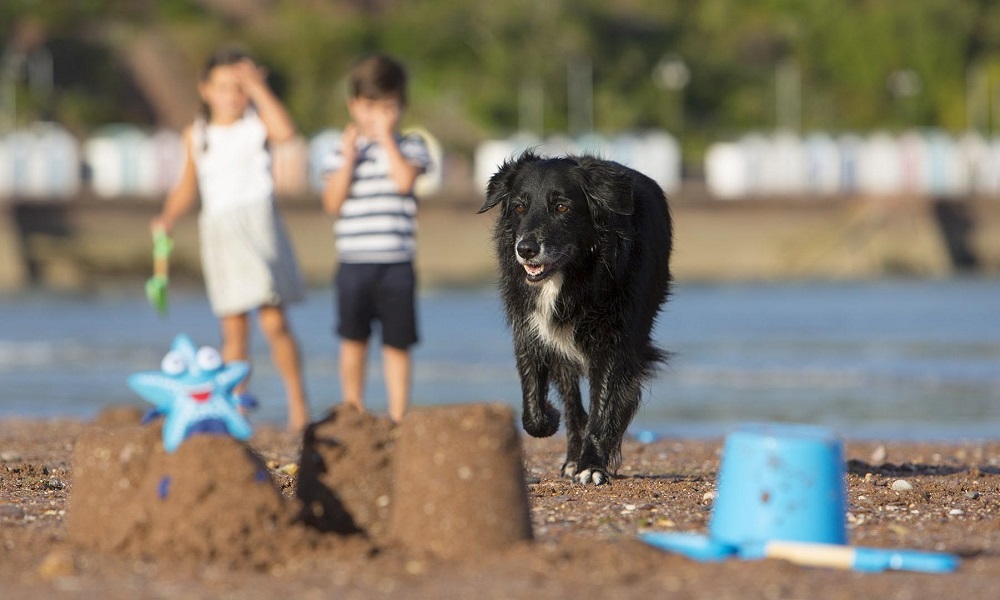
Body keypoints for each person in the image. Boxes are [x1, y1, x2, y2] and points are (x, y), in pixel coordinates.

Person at [152, 45, 310, 431]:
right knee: (234, 330)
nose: (231, 95)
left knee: (274, 322)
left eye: (239, 88)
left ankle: (298, 402)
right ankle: (236, 405)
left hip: (259, 227)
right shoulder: (198, 133)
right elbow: (187, 185)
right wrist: (168, 217)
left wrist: (258, 87)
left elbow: (286, 132)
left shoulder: (257, 124)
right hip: (219, 231)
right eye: (223, 87)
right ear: (205, 89)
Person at [321, 54, 431, 423]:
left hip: (396, 263)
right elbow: (332, 202)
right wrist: (349, 159)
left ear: (402, 107)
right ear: (354, 105)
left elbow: (403, 181)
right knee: (353, 341)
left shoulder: (411, 146)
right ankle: (353, 409)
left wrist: (386, 140)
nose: (378, 116)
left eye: (388, 107)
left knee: (397, 344)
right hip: (353, 263)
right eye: (370, 107)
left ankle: (398, 415)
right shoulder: (339, 151)